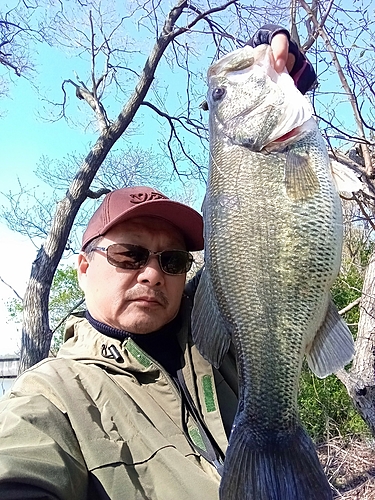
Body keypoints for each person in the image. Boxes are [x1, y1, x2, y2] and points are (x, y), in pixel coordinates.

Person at [0, 27, 317, 500]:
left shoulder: (224, 327)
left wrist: (287, 78)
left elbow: (267, 249)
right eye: (129, 255)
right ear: (83, 267)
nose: (152, 273)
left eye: (172, 260)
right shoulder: (51, 394)